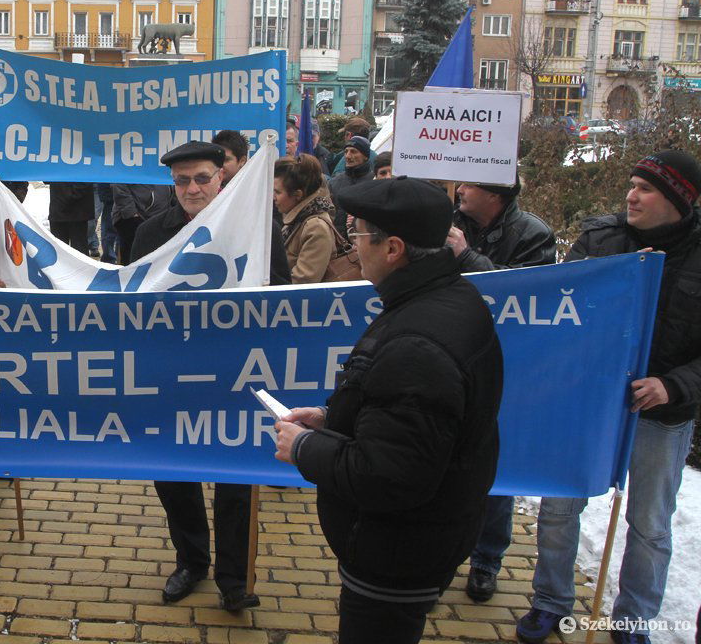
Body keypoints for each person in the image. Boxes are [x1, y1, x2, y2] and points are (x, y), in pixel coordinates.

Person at [274, 176, 503, 644]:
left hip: (395, 552)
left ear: (393, 247)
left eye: (357, 234)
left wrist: (306, 448)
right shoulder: (448, 297)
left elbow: (391, 475)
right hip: (425, 534)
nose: (353, 248)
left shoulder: (416, 343)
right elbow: (410, 419)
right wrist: (332, 419)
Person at [517, 151, 701, 644]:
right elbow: (560, 309)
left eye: (645, 188)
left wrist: (673, 385)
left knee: (649, 524)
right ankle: (550, 601)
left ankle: (633, 619)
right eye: (632, 183)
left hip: (662, 413)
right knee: (558, 507)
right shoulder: (601, 240)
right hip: (587, 405)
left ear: (680, 199)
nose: (631, 195)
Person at [130, 141, 290, 613]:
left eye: (202, 178)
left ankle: (234, 579)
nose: (192, 189)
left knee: (235, 479)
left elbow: (282, 297)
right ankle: (191, 561)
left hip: (236, 375)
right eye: (182, 181)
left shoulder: (257, 228)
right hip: (170, 377)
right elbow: (131, 301)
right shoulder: (149, 233)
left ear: (222, 176)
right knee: (173, 475)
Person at [444, 178, 555, 604]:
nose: (460, 190)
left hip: (506, 362)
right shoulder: (448, 223)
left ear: (496, 194)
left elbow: (525, 292)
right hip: (453, 350)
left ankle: (487, 559)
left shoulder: (533, 233)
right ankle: (445, 555)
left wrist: (466, 256)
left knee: (493, 466)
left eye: (469, 184)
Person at [274, 155, 336, 284]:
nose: (273, 197)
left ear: (297, 195)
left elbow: (303, 283)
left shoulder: (315, 227)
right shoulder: (297, 218)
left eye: (278, 192)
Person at [111, 182, 173, 265]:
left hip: (162, 214)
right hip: (134, 218)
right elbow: (118, 184)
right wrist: (131, 212)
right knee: (133, 260)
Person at [328, 136, 373, 234]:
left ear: (365, 156)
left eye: (353, 151)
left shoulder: (374, 181)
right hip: (338, 243)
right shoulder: (334, 182)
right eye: (346, 151)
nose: (348, 156)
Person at [49, 182, 95, 254]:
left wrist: (72, 195)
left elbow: (86, 179)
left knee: (79, 250)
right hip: (58, 207)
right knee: (59, 250)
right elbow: (46, 179)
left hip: (78, 210)